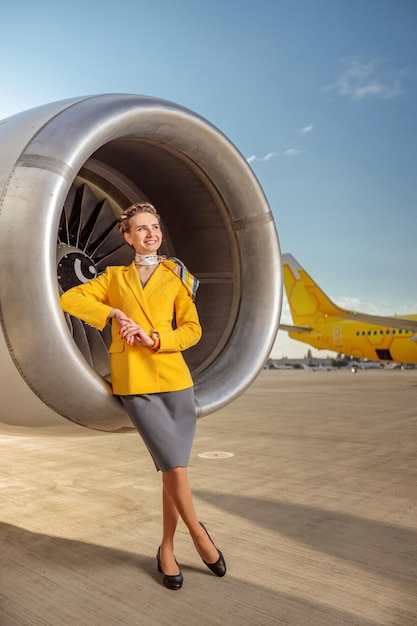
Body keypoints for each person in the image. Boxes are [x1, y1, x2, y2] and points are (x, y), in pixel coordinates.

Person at [60, 201, 226, 590]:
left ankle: (167, 549)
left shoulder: (176, 277)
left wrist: (155, 338)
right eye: (141, 229)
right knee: (174, 467)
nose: (150, 234)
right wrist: (113, 316)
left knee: (173, 471)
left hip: (175, 380)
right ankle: (200, 535)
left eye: (154, 227)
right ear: (127, 236)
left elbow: (192, 330)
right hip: (135, 383)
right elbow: (70, 299)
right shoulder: (114, 277)